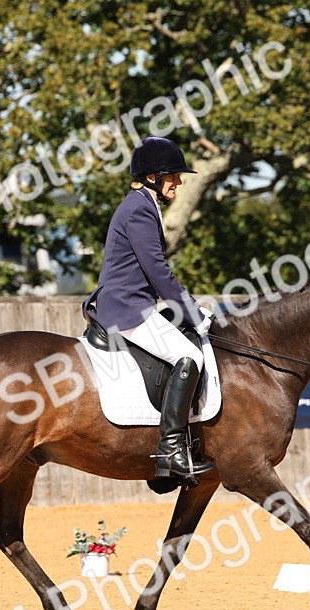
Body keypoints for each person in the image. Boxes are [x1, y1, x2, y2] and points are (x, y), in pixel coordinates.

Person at [83, 136, 215, 481]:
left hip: (134, 302)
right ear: (154, 176)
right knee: (191, 358)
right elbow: (158, 271)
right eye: (173, 175)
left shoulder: (142, 203)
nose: (179, 181)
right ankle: (172, 449)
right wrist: (195, 314)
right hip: (128, 308)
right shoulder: (140, 208)